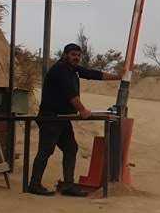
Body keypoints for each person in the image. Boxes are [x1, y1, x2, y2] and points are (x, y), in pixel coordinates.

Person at [27, 43, 120, 196]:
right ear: (65, 55)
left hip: (62, 118)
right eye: (73, 55)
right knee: (45, 150)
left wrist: (117, 77)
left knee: (71, 148)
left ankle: (68, 186)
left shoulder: (72, 69)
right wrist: (82, 110)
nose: (76, 58)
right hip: (51, 117)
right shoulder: (60, 70)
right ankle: (34, 184)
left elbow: (92, 74)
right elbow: (71, 95)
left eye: (78, 55)